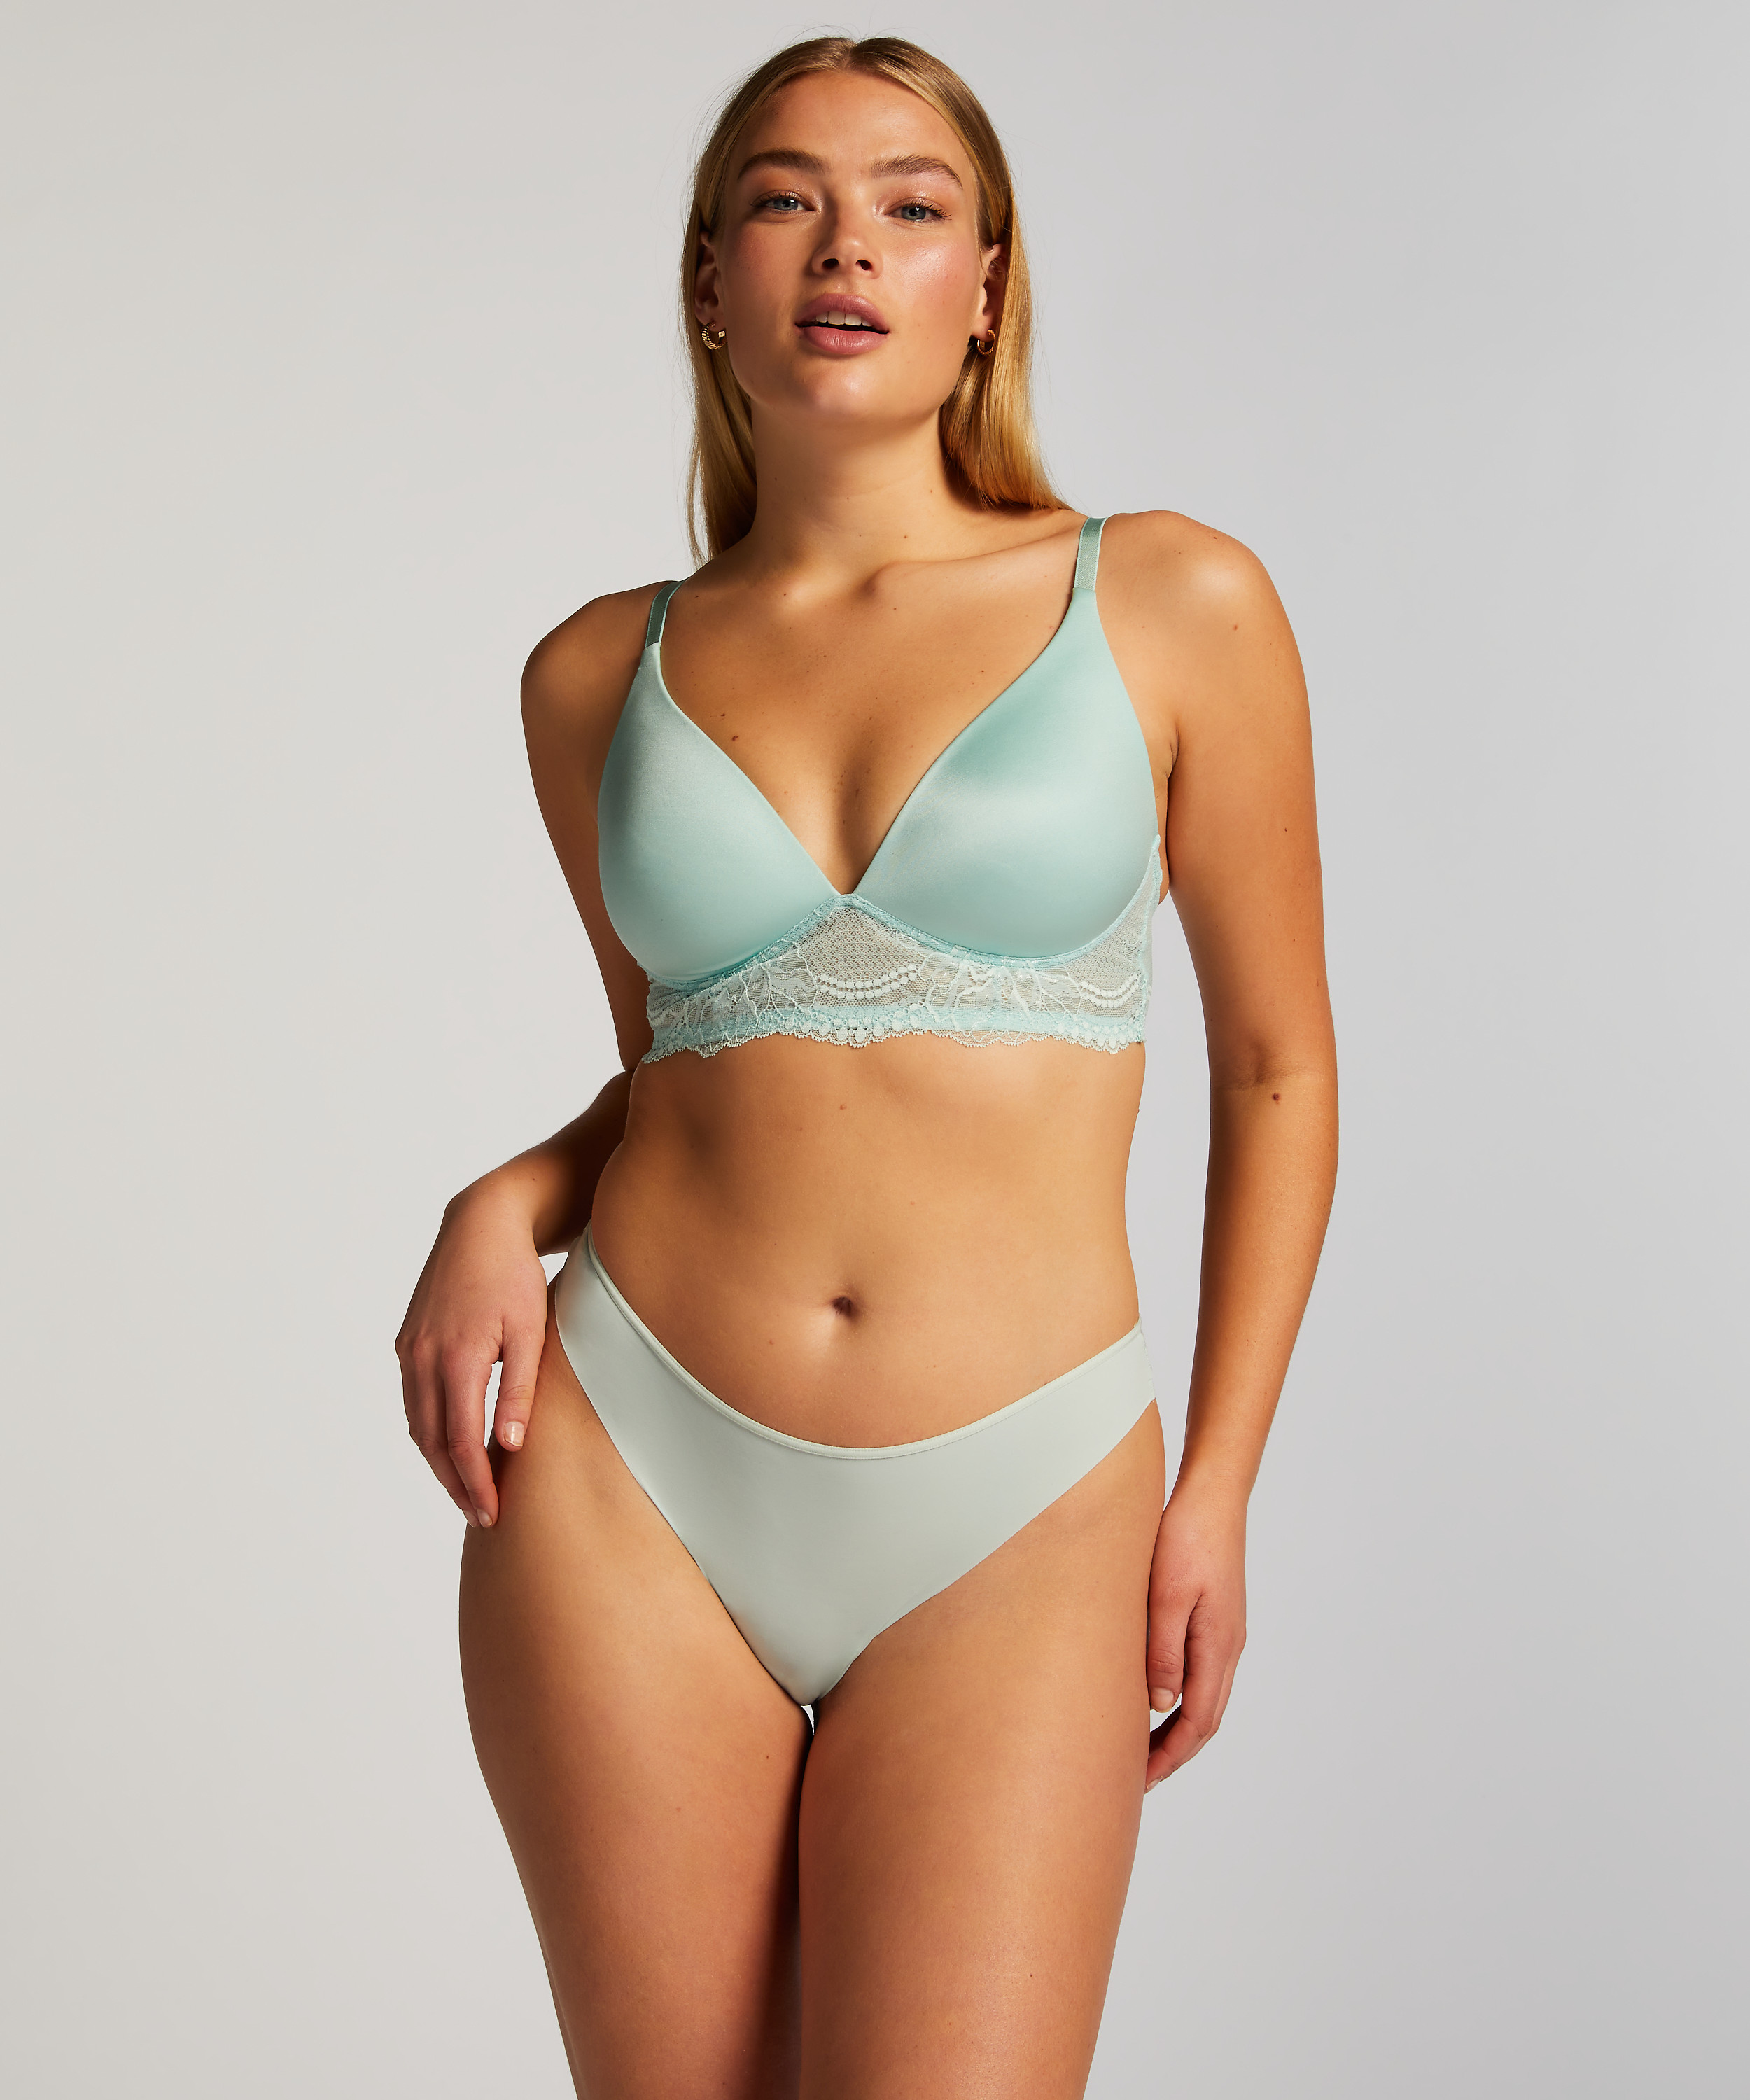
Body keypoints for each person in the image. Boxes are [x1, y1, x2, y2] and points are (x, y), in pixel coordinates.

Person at [395, 34, 1337, 2100]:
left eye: (912, 205)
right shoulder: (596, 675)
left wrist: (1220, 1485)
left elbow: (1277, 1068)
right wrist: (503, 1202)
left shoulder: (1169, 599)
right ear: (709, 277)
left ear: (986, 286)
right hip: (628, 1475)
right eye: (785, 198)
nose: (847, 246)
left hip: (1023, 1499)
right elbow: (686, 1074)